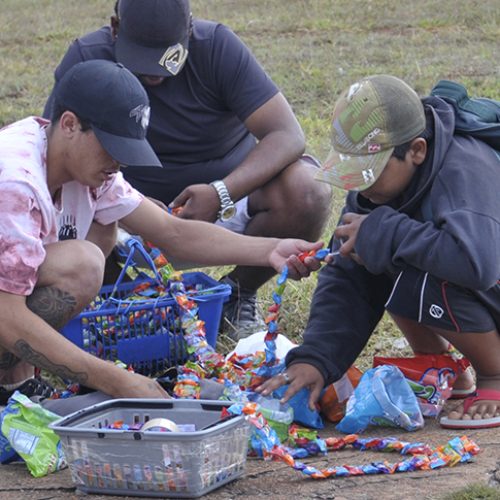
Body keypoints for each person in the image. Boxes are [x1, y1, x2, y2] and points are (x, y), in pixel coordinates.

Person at [0, 59, 325, 405]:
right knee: (82, 264)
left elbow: (174, 234)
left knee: (101, 233)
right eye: (111, 148)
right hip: (7, 310)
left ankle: (12, 382)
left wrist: (271, 249)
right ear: (69, 124)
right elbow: (7, 313)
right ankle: (11, 378)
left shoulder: (87, 168)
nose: (118, 164)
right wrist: (115, 380)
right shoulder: (17, 181)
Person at [43, 0, 332, 340]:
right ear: (115, 28)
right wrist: (127, 204)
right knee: (87, 220)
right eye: (140, 58)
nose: (154, 74)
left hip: (220, 200)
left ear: (190, 30)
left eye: (166, 57)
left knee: (308, 190)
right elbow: (57, 156)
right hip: (123, 209)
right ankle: (120, 307)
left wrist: (221, 191)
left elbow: (287, 134)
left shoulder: (217, 47)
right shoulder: (86, 59)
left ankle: (237, 295)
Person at [257, 74, 500, 430]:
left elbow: (477, 264)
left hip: (489, 271)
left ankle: (494, 375)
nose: (361, 188)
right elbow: (346, 275)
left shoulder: (465, 169)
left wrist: (383, 232)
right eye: (352, 173)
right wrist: (317, 359)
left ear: (416, 150)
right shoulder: (374, 190)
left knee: (399, 253)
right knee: (377, 255)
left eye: (369, 173)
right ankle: (443, 369)